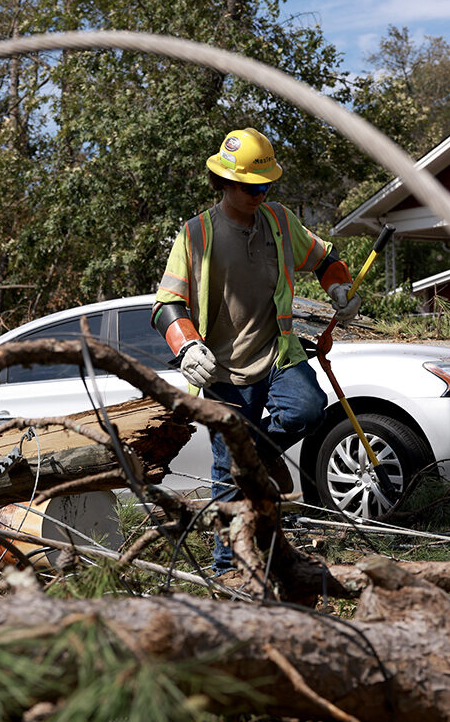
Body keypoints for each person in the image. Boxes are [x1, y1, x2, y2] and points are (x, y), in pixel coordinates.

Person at [150, 128, 360, 574]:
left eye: (266, 185)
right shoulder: (196, 234)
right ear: (224, 181)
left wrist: (339, 285)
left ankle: (258, 454)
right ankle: (229, 568)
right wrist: (186, 345)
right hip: (222, 372)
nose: (260, 194)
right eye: (251, 187)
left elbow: (325, 258)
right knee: (228, 475)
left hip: (278, 354)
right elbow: (167, 303)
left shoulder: (280, 222)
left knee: (307, 409)